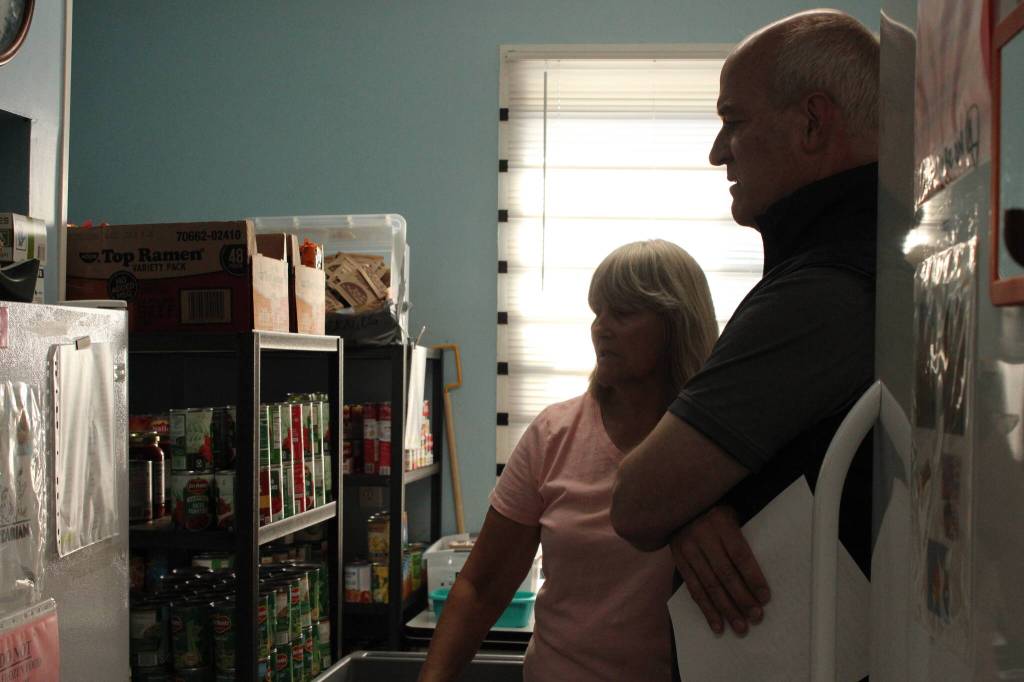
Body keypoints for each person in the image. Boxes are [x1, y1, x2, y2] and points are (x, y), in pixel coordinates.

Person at [610, 8, 879, 639]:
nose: (716, 152)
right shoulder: (876, 255)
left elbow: (638, 502)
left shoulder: (822, 291)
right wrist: (694, 506)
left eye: (734, 122)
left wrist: (681, 503)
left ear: (813, 122)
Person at [417, 240, 718, 682]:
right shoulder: (553, 435)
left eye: (624, 313)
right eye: (599, 312)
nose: (602, 328)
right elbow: (480, 587)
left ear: (676, 324)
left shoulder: (715, 444)